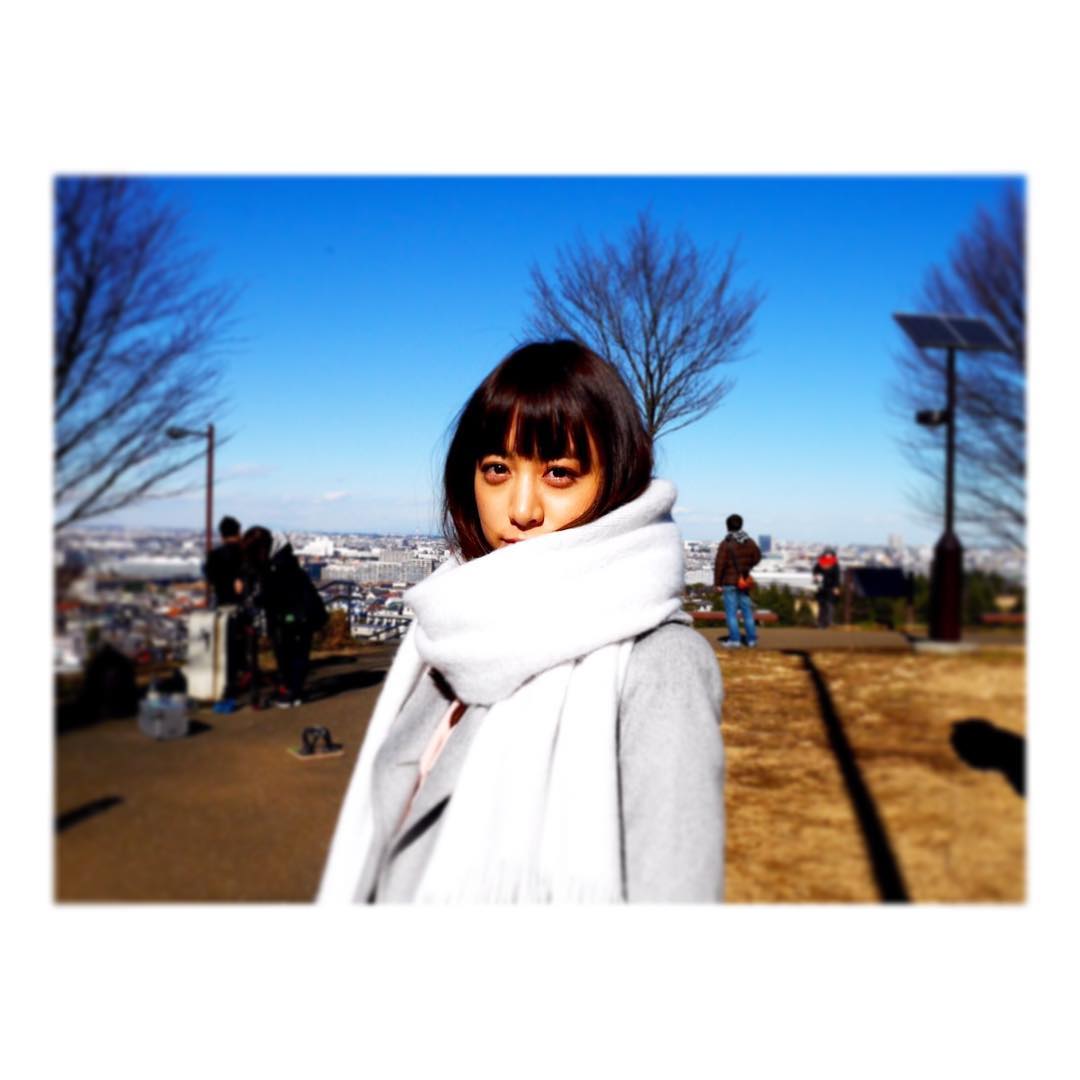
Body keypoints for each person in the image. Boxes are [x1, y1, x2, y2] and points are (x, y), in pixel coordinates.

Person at [318, 340, 724, 904]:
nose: (521, 509)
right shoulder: (449, 625)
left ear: (616, 480)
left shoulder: (660, 662)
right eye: (497, 469)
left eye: (558, 473)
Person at [241, 527, 328, 708]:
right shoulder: (278, 559)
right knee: (288, 653)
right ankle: (290, 689)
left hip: (298, 614)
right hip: (292, 613)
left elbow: (277, 592)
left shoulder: (279, 564)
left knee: (293, 654)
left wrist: (257, 599)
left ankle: (293, 693)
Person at [202, 515, 248, 712]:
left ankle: (226, 690)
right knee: (242, 648)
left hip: (221, 606)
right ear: (238, 532)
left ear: (221, 535)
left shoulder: (214, 556)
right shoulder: (244, 554)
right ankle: (244, 678)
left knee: (224, 650)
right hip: (243, 607)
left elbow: (209, 575)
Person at [713, 514, 762, 649]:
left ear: (727, 526)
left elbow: (719, 564)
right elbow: (757, 557)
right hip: (743, 581)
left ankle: (735, 640)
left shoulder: (726, 543)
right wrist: (747, 567)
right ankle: (751, 640)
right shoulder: (749, 541)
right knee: (747, 612)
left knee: (731, 613)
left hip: (729, 582)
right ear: (741, 525)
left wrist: (717, 583)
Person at [812, 547, 841, 628]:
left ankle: (829, 622)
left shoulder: (835, 565)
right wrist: (816, 578)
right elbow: (815, 571)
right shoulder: (819, 564)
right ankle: (821, 622)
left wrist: (836, 587)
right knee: (822, 605)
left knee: (829, 604)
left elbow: (837, 577)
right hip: (821, 587)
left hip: (831, 587)